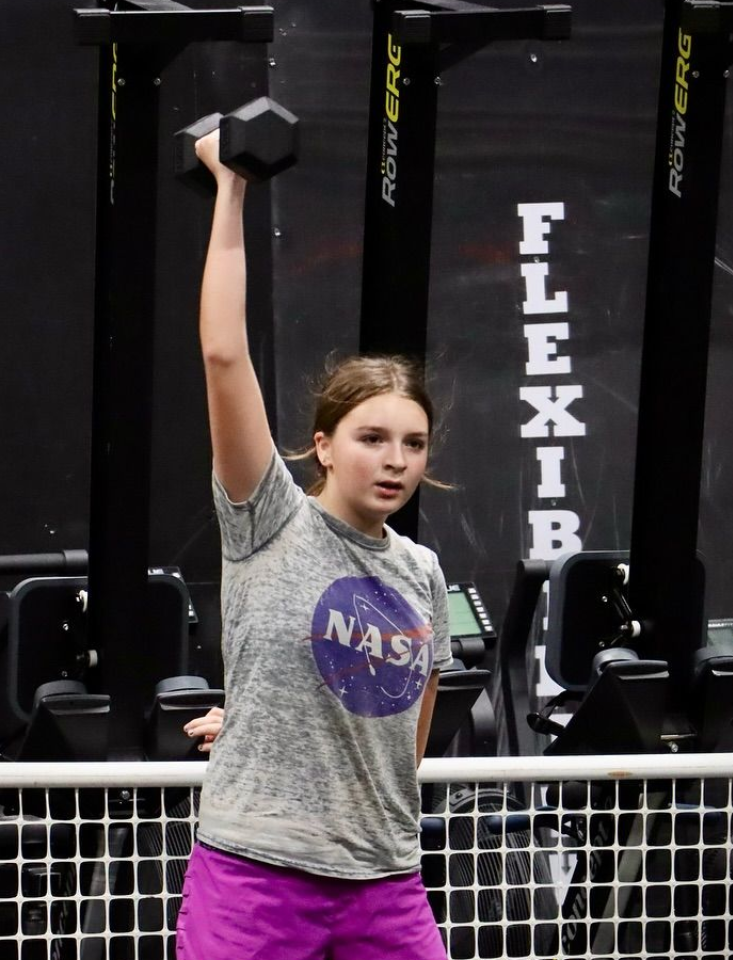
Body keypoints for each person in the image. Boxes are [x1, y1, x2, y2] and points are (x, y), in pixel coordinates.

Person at [173, 127, 452, 960]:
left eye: (413, 443)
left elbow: (404, 738)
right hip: (256, 878)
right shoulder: (270, 518)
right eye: (372, 437)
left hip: (385, 881)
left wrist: (262, 709)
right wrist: (232, 185)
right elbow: (224, 355)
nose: (395, 460)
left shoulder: (422, 573)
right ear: (324, 444)